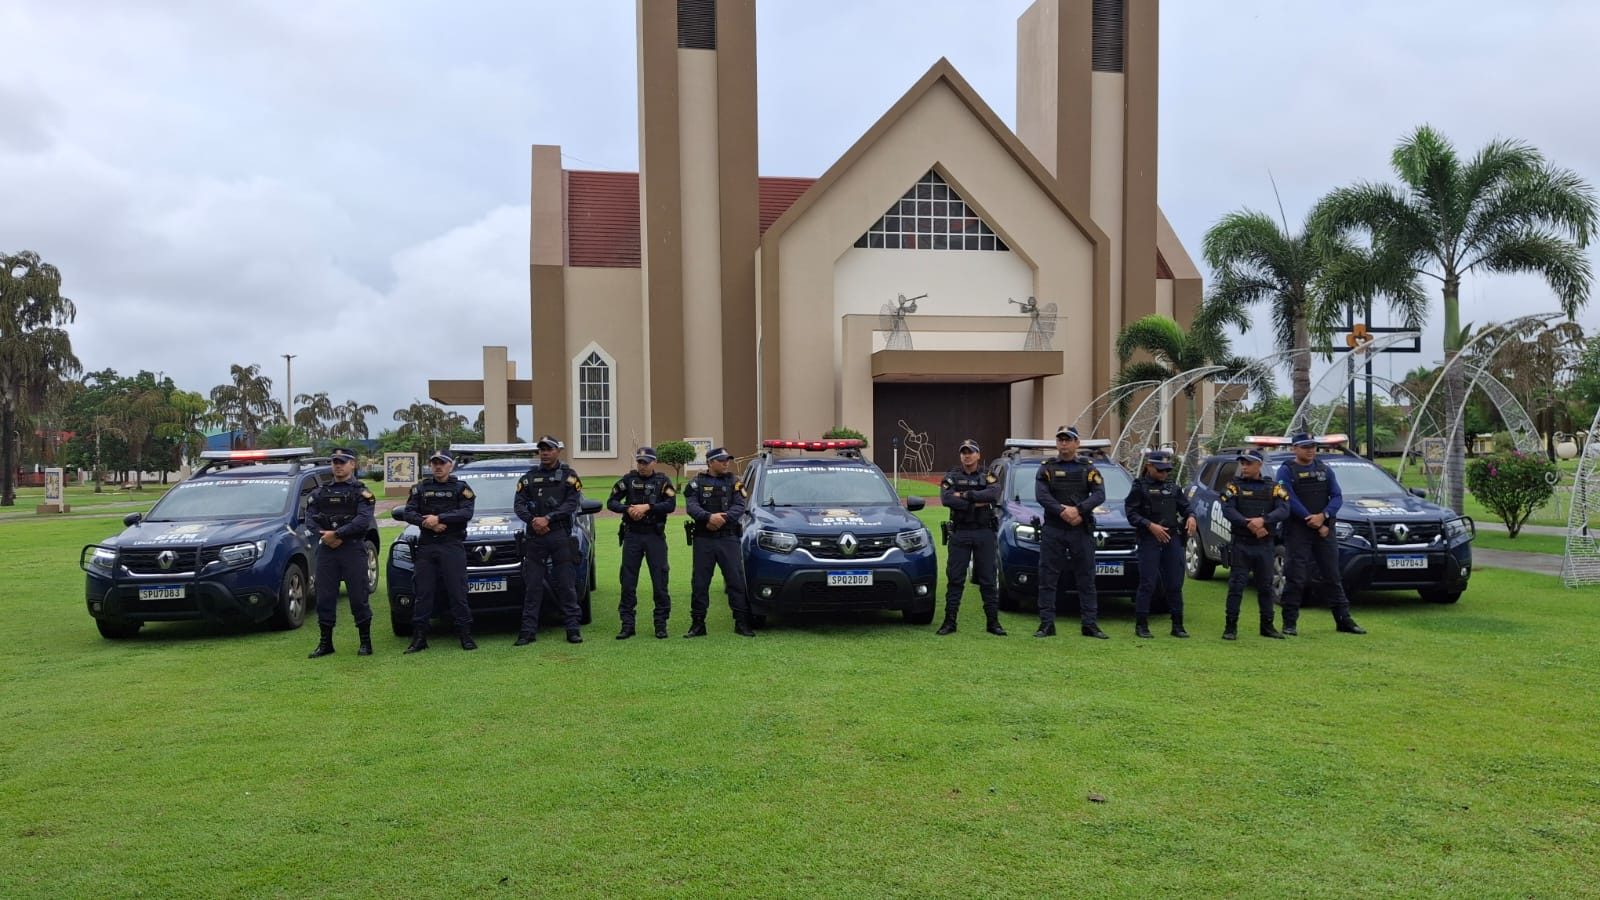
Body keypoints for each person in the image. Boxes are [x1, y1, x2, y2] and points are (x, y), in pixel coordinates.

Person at [1276, 433, 1366, 635]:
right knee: (1295, 577)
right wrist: (1313, 520)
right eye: (1305, 446)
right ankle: (1289, 623)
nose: (1310, 450)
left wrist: (1324, 515)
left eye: (1313, 446)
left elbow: (1336, 496)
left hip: (1324, 529)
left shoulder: (1324, 469)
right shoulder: (1286, 470)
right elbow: (1287, 498)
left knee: (1332, 576)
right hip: (1299, 530)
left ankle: (1344, 620)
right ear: (1295, 449)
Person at [1033, 425, 1108, 639]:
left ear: (1077, 443)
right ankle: (1047, 624)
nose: (1064, 443)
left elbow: (1099, 494)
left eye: (1068, 439)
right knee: (1047, 578)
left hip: (1080, 529)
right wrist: (1062, 511)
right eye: (1060, 439)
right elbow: (1042, 495)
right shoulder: (1046, 467)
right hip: (1055, 529)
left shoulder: (1088, 468)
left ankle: (1090, 624)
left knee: (1086, 577)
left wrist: (1079, 510)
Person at [399, 450, 477, 653]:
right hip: (427, 545)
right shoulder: (421, 488)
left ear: (450, 465)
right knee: (423, 592)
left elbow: (466, 512)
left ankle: (465, 635)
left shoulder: (461, 488)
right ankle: (419, 638)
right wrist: (429, 523)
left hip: (452, 544)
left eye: (442, 463)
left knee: (457, 590)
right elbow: (409, 512)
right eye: (435, 463)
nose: (438, 467)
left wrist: (440, 518)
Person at [513, 435, 586, 645]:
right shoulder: (527, 478)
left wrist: (548, 518)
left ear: (558, 451)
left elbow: (572, 504)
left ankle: (572, 629)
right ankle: (527, 632)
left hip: (559, 535)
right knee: (533, 586)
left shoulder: (569, 477)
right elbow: (518, 505)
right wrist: (534, 520)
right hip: (535, 537)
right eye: (541, 449)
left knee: (566, 584)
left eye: (549, 449)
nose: (544, 453)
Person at [306, 447, 377, 658]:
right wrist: (325, 535)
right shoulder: (320, 492)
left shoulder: (361, 492)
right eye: (335, 461)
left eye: (342, 462)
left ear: (352, 464)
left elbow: (363, 520)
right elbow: (310, 518)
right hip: (328, 550)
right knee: (325, 597)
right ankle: (325, 643)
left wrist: (337, 534)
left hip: (352, 549)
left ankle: (365, 642)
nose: (338, 465)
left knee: (358, 597)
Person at [1123, 449, 1197, 639]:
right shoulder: (1139, 487)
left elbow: (1186, 506)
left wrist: (1191, 516)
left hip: (1171, 538)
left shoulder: (1173, 487)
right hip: (1149, 538)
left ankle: (1177, 625)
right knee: (1147, 582)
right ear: (1149, 466)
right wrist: (1149, 525)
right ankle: (1142, 625)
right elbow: (1131, 514)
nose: (1164, 474)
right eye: (1160, 470)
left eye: (1167, 470)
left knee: (1174, 583)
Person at [936, 438, 1006, 636]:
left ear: (978, 455)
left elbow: (993, 494)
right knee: (955, 578)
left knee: (988, 579)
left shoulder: (988, 475)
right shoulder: (952, 476)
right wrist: (976, 499)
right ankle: (950, 622)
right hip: (961, 532)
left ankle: (993, 623)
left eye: (971, 452)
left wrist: (964, 496)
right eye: (964, 452)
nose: (967, 455)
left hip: (984, 531)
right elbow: (946, 499)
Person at [607, 446, 678, 639]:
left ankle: (661, 624)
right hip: (633, 536)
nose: (643, 466)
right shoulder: (628, 480)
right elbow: (611, 502)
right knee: (628, 582)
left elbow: (671, 505)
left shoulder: (663, 481)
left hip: (654, 536)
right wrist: (628, 509)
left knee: (660, 581)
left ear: (654, 462)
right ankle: (627, 625)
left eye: (646, 462)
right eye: (640, 462)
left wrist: (648, 507)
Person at [1219, 448, 1290, 640]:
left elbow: (1284, 509)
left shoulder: (1273, 487)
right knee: (1236, 586)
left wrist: (1264, 521)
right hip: (1241, 544)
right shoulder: (1233, 486)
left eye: (1249, 463)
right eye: (1242, 463)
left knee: (1266, 587)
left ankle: (1267, 626)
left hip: (1265, 545)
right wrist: (1250, 524)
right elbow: (1227, 509)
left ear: (1259, 465)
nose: (1244, 466)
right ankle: (1230, 628)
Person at [685, 446, 753, 637]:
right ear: (710, 462)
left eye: (727, 460)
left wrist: (721, 519)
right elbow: (691, 506)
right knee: (700, 583)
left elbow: (740, 506)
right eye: (722, 460)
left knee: (735, 581)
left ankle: (741, 623)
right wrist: (708, 518)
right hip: (704, 539)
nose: (726, 463)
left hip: (728, 539)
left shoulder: (734, 482)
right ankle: (698, 624)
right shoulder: (696, 483)